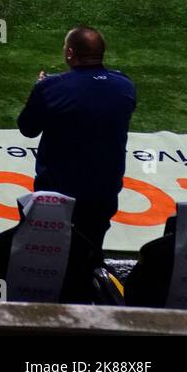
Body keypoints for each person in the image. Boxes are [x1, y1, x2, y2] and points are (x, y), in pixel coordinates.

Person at [17, 26, 135, 257]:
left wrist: (41, 88)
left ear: (70, 53)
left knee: (46, 255)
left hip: (58, 190)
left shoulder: (51, 88)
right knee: (91, 251)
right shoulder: (125, 86)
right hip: (104, 189)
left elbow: (28, 129)